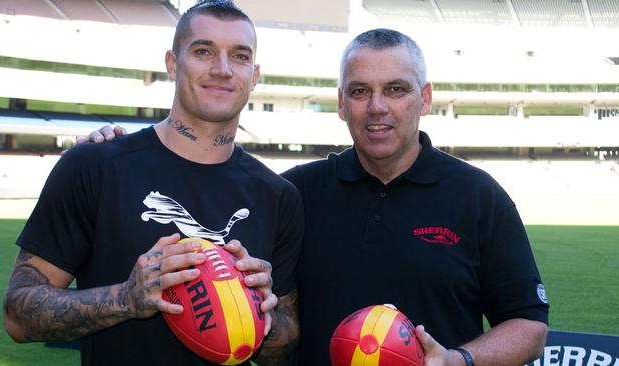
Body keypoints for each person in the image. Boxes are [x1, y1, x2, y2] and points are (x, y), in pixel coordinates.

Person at [85, 28, 550, 365]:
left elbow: (529, 325)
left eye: (397, 90)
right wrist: (126, 150)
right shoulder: (292, 192)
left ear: (424, 98)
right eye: (360, 91)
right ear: (342, 103)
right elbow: (207, 208)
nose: (378, 107)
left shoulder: (478, 197)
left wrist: (458, 361)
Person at [2, 2, 303, 366]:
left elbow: (282, 348)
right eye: (203, 51)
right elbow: (18, 316)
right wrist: (127, 299)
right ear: (173, 63)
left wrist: (263, 313)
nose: (222, 70)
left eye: (239, 57)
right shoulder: (94, 166)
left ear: (254, 76)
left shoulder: (277, 196)